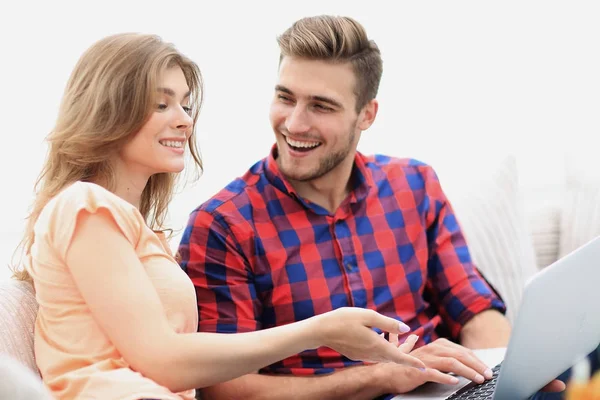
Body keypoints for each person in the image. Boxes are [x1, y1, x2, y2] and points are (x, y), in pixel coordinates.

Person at [11, 32, 426, 400]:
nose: (185, 121)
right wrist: (319, 331)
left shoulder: (125, 225)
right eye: (161, 104)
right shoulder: (84, 206)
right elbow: (164, 360)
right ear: (109, 110)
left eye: (185, 104)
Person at [178, 15, 566, 399]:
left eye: (321, 106)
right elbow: (223, 390)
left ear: (366, 114)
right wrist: (382, 378)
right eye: (285, 97)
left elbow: (473, 308)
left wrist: (501, 376)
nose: (294, 123)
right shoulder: (222, 225)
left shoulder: (414, 185)